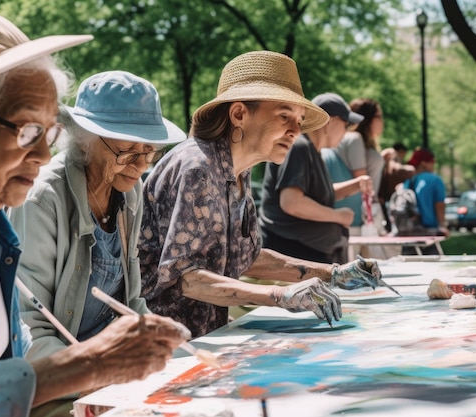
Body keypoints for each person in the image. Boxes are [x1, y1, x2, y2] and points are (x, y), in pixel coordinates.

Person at [0, 9, 190, 417]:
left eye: (49, 132)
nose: (42, 155)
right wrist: (91, 366)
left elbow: (6, 363)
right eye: (27, 131)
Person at [138, 50, 386, 338]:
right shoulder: (198, 166)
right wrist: (279, 296)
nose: (296, 130)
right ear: (239, 114)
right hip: (165, 347)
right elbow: (185, 278)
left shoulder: (238, 170)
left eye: (300, 119)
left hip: (202, 337)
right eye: (284, 116)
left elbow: (247, 258)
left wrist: (334, 273)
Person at [8, 70, 188, 415]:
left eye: (148, 152)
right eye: (126, 153)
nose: (139, 167)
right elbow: (27, 327)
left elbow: (131, 302)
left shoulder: (128, 191)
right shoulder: (42, 199)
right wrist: (95, 376)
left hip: (111, 376)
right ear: (85, 140)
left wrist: (161, 345)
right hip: (57, 381)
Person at [259, 92, 371, 264]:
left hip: (308, 254)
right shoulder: (299, 147)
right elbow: (292, 202)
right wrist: (338, 216)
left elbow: (314, 195)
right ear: (330, 121)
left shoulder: (313, 151)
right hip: (292, 257)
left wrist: (355, 185)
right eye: (346, 124)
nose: (346, 131)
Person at [323, 98, 386, 259]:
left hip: (356, 216)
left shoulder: (352, 141)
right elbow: (363, 181)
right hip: (360, 217)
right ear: (368, 118)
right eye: (379, 116)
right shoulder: (355, 139)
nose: (382, 121)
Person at [400, 148, 450, 254]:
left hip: (409, 232)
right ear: (423, 163)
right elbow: (439, 205)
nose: (433, 165)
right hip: (429, 232)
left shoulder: (408, 181)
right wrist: (442, 225)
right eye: (432, 162)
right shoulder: (435, 180)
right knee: (432, 267)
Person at [379, 144, 415, 233]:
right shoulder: (392, 163)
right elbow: (407, 171)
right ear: (400, 152)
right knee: (396, 228)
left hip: (390, 199)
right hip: (392, 200)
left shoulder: (388, 164)